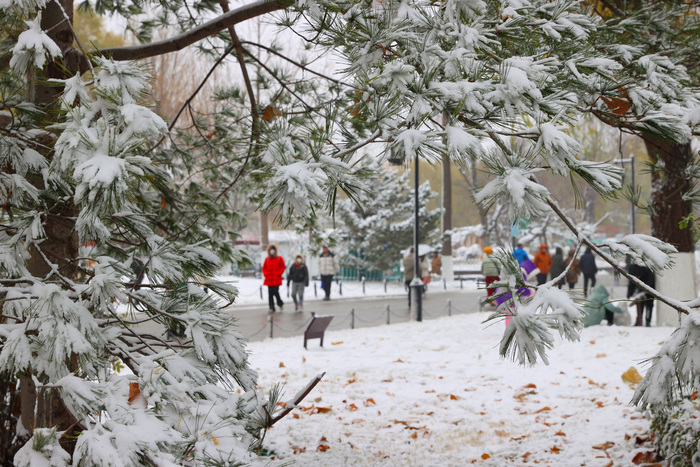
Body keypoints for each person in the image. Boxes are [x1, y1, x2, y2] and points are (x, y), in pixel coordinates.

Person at [262, 244, 285, 313]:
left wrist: (279, 273)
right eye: (270, 250)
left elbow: (283, 266)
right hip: (269, 279)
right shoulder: (267, 259)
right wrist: (266, 274)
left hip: (276, 279)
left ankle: (280, 303)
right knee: (270, 294)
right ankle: (271, 307)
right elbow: (264, 268)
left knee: (276, 292)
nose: (272, 251)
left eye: (273, 250)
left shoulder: (279, 258)